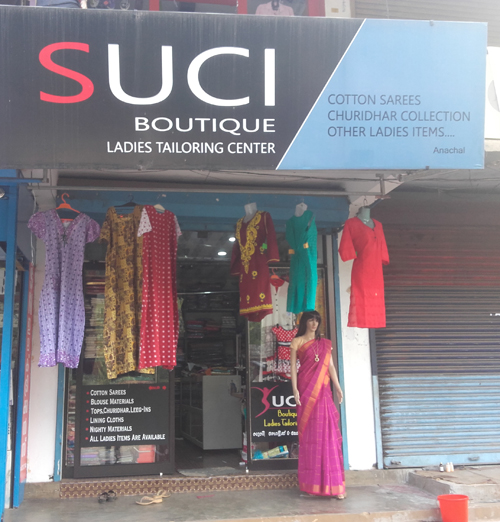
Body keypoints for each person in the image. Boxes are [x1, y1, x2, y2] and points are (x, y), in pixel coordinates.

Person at [290, 311, 345, 498]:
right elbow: (293, 368)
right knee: (310, 437)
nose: (314, 324)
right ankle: (313, 485)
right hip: (305, 388)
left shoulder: (325, 343)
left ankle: (335, 486)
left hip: (322, 391)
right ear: (304, 322)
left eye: (317, 321)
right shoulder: (297, 342)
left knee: (328, 435)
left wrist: (338, 387)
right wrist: (295, 390)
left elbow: (330, 366)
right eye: (311, 320)